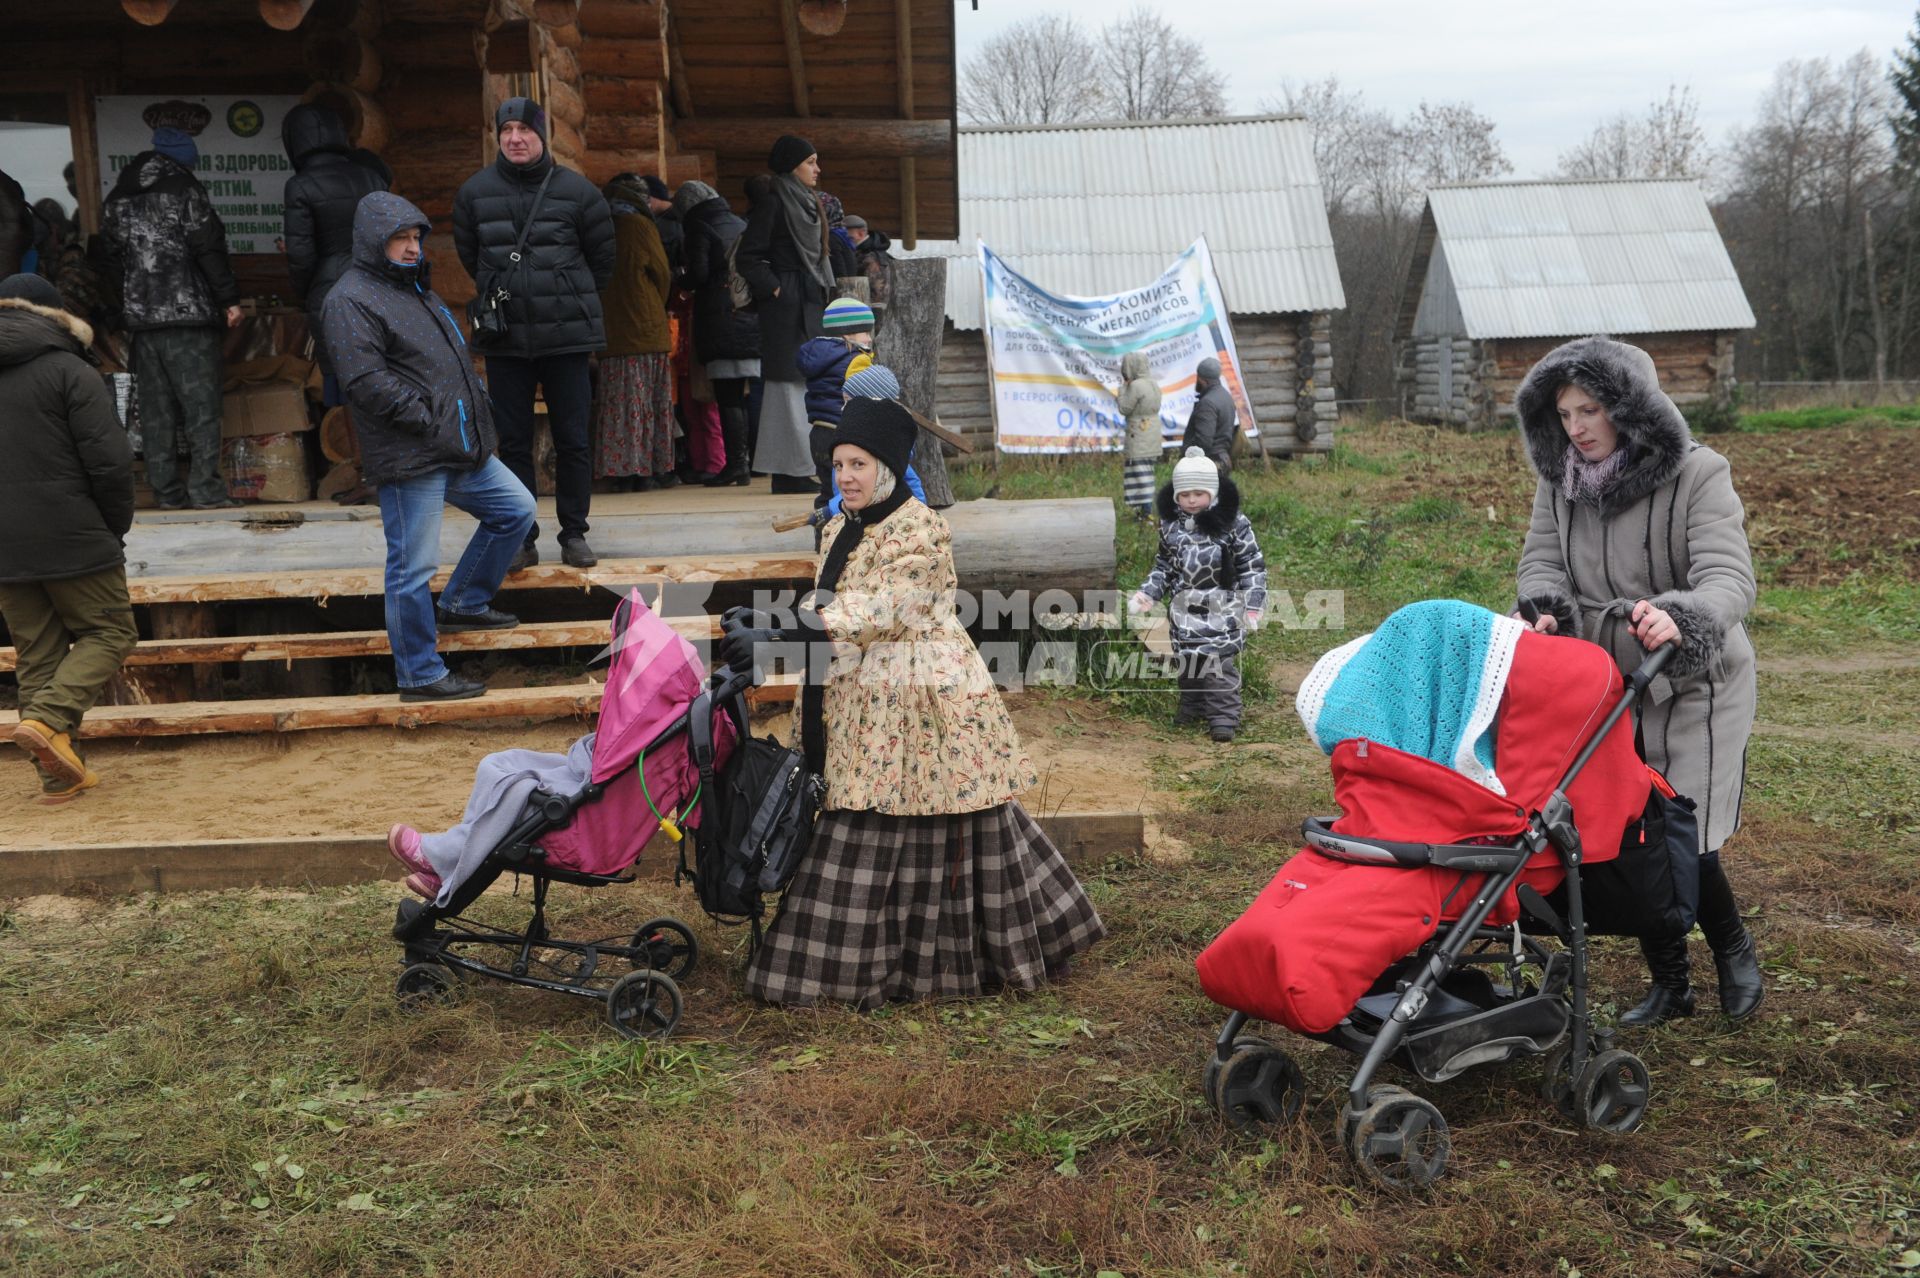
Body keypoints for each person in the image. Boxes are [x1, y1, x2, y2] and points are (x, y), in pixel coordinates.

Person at [721, 398, 1106, 1007]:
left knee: (924, 811)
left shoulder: (921, 529)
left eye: (859, 464)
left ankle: (940, 967)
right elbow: (832, 600)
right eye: (839, 464)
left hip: (922, 701)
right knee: (857, 804)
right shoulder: (838, 524)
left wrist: (780, 630)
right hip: (853, 694)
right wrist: (777, 626)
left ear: (890, 467)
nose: (845, 476)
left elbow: (884, 609)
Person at [1513, 335, 1763, 1026]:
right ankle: (1671, 984)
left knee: (1686, 827)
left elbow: (1729, 577)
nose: (1578, 428)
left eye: (1591, 410)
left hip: (1694, 681)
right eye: (1564, 415)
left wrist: (1683, 617)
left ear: (1630, 407)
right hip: (1607, 683)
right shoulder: (1560, 482)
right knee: (1631, 831)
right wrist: (1544, 609)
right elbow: (1542, 564)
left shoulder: (1699, 474)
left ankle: (1733, 950)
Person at [322, 192, 536, 703]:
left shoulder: (415, 287)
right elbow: (366, 381)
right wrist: (427, 417)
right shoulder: (349, 299)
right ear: (374, 241)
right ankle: (419, 674)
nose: (412, 246)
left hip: (457, 444)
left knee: (517, 509)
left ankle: (465, 601)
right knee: (412, 567)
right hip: (410, 453)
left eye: (416, 237)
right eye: (400, 238)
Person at [454, 97, 615, 570]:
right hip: (505, 340)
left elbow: (603, 260)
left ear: (543, 136)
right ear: (497, 137)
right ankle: (522, 536)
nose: (515, 138)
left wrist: (563, 294)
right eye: (506, 130)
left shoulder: (579, 192)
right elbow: (471, 257)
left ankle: (574, 533)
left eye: (525, 129)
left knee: (572, 440)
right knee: (513, 440)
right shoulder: (474, 193)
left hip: (567, 338)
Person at [0, 274, 138, 803]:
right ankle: (48, 720)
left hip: (6, 546)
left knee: (38, 653)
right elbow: (110, 464)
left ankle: (59, 775)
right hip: (74, 534)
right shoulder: (69, 371)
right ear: (56, 318)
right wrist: (113, 528)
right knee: (111, 632)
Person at [101, 125, 244, 510]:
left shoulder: (117, 197)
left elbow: (107, 260)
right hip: (188, 316)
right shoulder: (185, 189)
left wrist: (126, 306)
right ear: (185, 159)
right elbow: (208, 247)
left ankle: (165, 493)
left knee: (155, 411)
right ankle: (206, 491)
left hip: (142, 323)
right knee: (201, 407)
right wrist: (229, 299)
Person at [1128, 447, 1267, 743]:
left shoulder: (1233, 525)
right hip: (1185, 611)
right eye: (1185, 494)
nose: (1191, 500)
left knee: (1218, 664)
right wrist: (1148, 593)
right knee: (1189, 662)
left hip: (1222, 608)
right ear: (1177, 495)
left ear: (1213, 493)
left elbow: (1251, 565)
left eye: (1199, 493)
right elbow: (1164, 566)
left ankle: (1223, 717)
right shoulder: (1171, 528)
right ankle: (1192, 706)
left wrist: (1253, 603)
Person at [737, 135, 833, 495]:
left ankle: (799, 468)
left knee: (808, 386)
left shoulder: (809, 203)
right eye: (810, 162)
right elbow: (749, 257)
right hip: (787, 309)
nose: (817, 169)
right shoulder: (774, 203)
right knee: (785, 389)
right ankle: (787, 471)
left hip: (810, 305)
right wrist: (777, 289)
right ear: (793, 166)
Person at [280, 102, 390, 394]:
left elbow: (301, 255)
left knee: (342, 383)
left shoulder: (299, 186)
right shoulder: (371, 176)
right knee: (381, 375)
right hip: (379, 286)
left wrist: (304, 293)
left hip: (329, 290)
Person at [593, 174, 676, 489]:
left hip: (611, 332)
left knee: (618, 406)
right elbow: (660, 272)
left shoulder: (601, 228)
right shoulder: (641, 225)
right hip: (645, 327)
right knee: (646, 404)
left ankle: (620, 473)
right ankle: (647, 472)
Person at [815, 363, 925, 521]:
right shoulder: (851, 439)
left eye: (848, 401)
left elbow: (911, 484)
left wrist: (919, 513)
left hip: (877, 521)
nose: (842, 408)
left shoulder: (884, 449)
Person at [795, 296, 876, 506]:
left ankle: (823, 534)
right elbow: (864, 398)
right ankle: (841, 536)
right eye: (865, 332)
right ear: (848, 334)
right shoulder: (857, 359)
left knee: (828, 490)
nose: (868, 339)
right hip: (842, 434)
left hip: (819, 432)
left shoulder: (818, 356)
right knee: (847, 494)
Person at [1116, 350, 1162, 518]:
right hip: (1152, 432)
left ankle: (1145, 513)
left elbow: (1124, 408)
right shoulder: (1153, 383)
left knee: (1139, 474)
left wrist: (1122, 391)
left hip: (1139, 434)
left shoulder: (1135, 386)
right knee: (1147, 472)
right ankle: (1145, 512)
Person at [1181, 356, 1237, 475]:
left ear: (1201, 379)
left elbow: (1203, 441)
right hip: (1222, 460)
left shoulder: (1207, 403)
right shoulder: (1226, 396)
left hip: (1208, 463)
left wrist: (1189, 460)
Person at [843, 214, 893, 308]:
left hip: (867, 314)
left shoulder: (873, 258)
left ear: (860, 234)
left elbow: (878, 298)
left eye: (846, 235)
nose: (843, 239)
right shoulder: (860, 253)